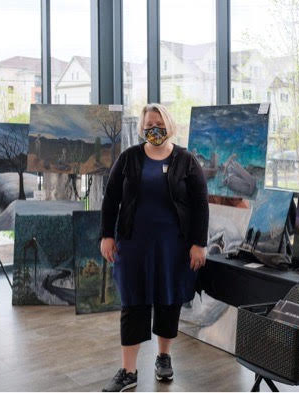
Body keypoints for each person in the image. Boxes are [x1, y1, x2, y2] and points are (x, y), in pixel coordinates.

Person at [99, 103, 209, 392]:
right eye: (149, 124)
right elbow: (110, 199)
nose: (153, 129)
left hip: (174, 247)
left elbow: (200, 205)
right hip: (133, 245)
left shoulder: (186, 160)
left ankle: (164, 357)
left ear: (169, 124)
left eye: (158, 123)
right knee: (133, 303)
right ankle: (128, 371)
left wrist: (199, 243)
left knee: (167, 301)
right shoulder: (129, 158)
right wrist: (106, 236)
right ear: (142, 127)